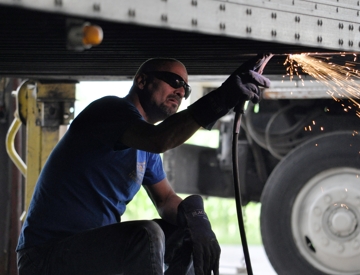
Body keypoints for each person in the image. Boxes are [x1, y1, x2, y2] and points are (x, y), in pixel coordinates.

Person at [16, 54, 271, 275]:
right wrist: (219, 100)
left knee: (186, 234)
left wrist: (196, 218)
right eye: (175, 82)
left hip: (86, 252)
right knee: (146, 235)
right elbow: (161, 139)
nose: (181, 91)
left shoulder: (145, 149)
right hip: (44, 257)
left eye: (186, 89)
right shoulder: (109, 111)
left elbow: (165, 200)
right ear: (142, 80)